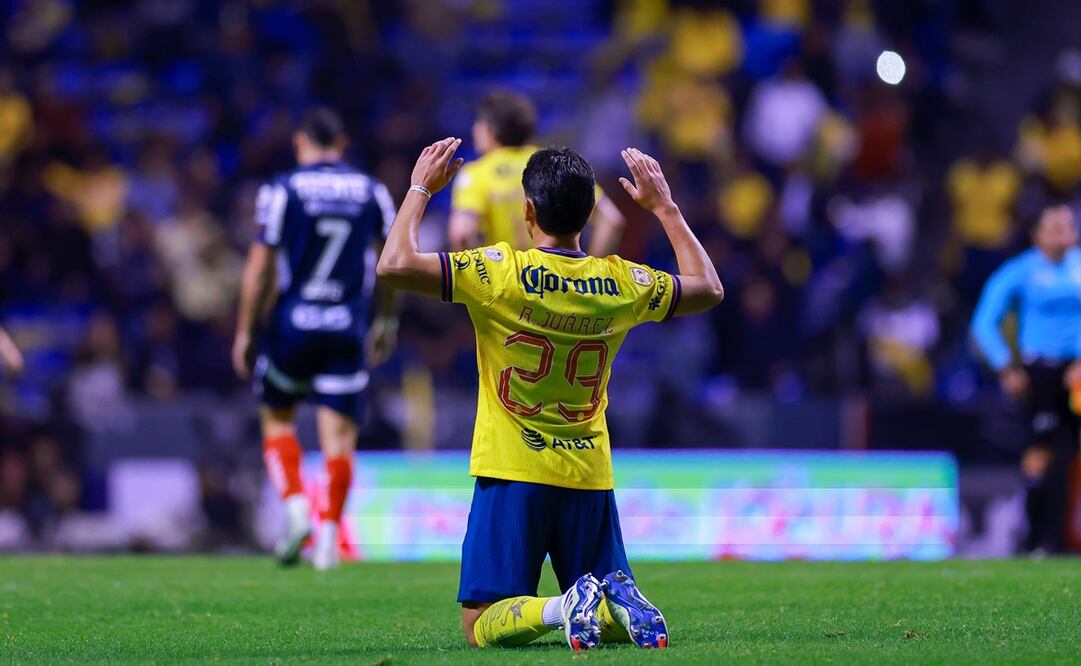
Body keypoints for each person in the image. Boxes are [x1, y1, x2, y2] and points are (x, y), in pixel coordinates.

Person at [377, 138, 724, 651]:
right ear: (587, 214)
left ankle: (565, 604)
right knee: (606, 612)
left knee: (479, 625)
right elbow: (708, 286)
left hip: (513, 468)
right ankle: (610, 600)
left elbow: (394, 263)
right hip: (589, 472)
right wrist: (665, 208)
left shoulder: (498, 272)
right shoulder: (621, 281)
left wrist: (419, 188)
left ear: (528, 210)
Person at [232, 108, 398, 570]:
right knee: (338, 439)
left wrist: (246, 330)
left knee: (277, 418)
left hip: (294, 325)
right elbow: (391, 265)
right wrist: (385, 323)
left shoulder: (282, 189)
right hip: (347, 327)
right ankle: (327, 539)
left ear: (300, 143)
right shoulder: (372, 192)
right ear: (341, 144)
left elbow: (261, 267)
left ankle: (296, 510)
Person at [971, 204, 1081, 554]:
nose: (1067, 230)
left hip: (1078, 370)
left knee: (1070, 452)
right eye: (1057, 225)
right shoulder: (1020, 272)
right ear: (1038, 235)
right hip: (1042, 372)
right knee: (1041, 452)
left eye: (1070, 224)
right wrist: (1007, 367)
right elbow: (984, 321)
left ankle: (1063, 537)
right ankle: (1039, 541)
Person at [448, 91, 625, 255]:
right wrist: (591, 275)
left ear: (490, 130)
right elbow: (612, 220)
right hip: (556, 282)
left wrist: (480, 279)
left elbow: (461, 233)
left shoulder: (476, 173)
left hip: (506, 283)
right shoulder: (555, 163)